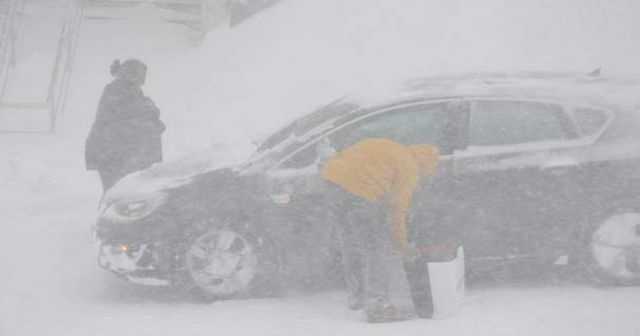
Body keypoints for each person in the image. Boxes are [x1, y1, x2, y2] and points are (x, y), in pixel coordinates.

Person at [320, 137, 439, 323]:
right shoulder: (410, 168)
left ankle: (357, 297)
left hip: (332, 180)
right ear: (425, 165)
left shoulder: (393, 147)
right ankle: (377, 306)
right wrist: (403, 245)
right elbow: (396, 213)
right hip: (358, 192)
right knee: (375, 249)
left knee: (350, 244)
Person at [85, 59, 166, 192]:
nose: (144, 79)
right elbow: (131, 112)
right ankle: (112, 211)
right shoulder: (117, 88)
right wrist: (150, 110)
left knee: (124, 191)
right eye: (142, 75)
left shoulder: (129, 89)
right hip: (109, 150)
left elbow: (140, 112)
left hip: (117, 150)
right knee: (117, 192)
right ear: (131, 73)